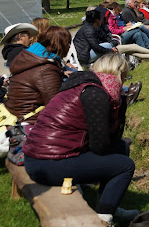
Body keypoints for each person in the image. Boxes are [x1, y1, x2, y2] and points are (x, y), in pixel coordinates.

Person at [23, 54, 139, 226]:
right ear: (119, 74)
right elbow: (100, 146)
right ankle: (103, 220)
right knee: (125, 166)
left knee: (121, 148)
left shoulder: (83, 85)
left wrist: (119, 105)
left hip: (39, 157)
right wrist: (120, 107)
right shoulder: (96, 94)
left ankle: (108, 205)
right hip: (49, 163)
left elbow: (113, 140)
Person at [5, 26, 71, 123]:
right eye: (68, 43)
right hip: (31, 120)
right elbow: (57, 105)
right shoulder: (45, 69)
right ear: (60, 44)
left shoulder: (31, 56)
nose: (69, 47)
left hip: (17, 113)